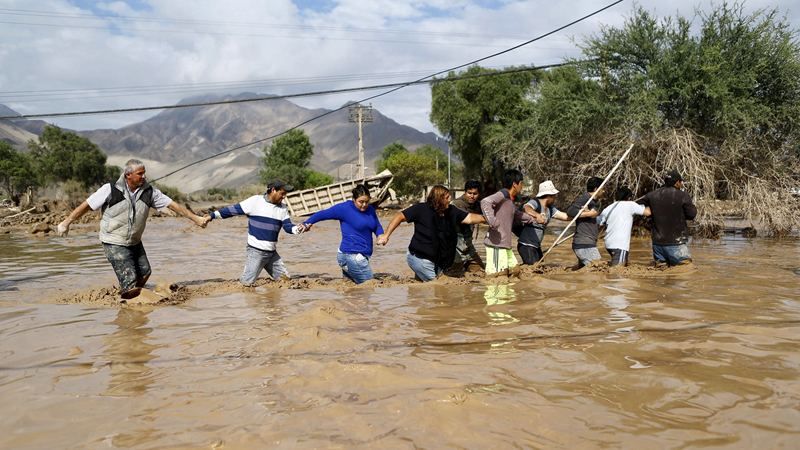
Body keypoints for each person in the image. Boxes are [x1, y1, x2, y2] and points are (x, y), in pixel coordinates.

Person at [56, 159, 209, 300]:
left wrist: (196, 219)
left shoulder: (150, 192)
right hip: (113, 241)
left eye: (144, 173)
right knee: (130, 279)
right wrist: (66, 222)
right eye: (140, 174)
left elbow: (173, 205)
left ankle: (132, 296)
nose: (144, 177)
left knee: (145, 272)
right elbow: (86, 206)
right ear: (128, 175)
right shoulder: (110, 189)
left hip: (134, 241)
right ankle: (129, 307)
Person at [206, 180, 306, 285]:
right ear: (273, 190)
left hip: (272, 254)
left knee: (285, 281)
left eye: (286, 194)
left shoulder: (283, 207)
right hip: (256, 252)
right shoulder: (255, 202)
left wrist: (298, 229)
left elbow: (287, 226)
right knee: (246, 285)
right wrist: (211, 216)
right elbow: (231, 210)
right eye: (282, 193)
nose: (284, 197)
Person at [378, 185, 484, 281]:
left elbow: (470, 218)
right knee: (441, 287)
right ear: (438, 199)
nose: (450, 200)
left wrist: (488, 219)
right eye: (447, 198)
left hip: (438, 261)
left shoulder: (451, 210)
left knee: (423, 289)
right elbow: (399, 216)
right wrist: (386, 235)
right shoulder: (421, 209)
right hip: (420, 258)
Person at [301, 184, 384, 284]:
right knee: (371, 286)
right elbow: (323, 214)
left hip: (358, 256)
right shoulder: (344, 209)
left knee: (350, 291)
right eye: (361, 202)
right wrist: (306, 223)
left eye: (367, 202)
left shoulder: (370, 210)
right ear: (354, 199)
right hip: (352, 256)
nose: (364, 205)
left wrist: (380, 235)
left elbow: (376, 226)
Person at [480, 169, 535, 275]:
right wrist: (492, 221)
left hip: (505, 245)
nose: (522, 186)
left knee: (515, 271)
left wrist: (533, 219)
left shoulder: (510, 199)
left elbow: (517, 214)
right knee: (497, 278)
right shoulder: (503, 194)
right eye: (521, 183)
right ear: (515, 184)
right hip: (496, 244)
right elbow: (485, 202)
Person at [640, 170, 697, 266]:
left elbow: (636, 206)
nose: (681, 184)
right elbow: (692, 215)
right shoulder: (682, 195)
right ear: (677, 182)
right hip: (676, 243)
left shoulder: (652, 195)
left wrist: (650, 216)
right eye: (681, 182)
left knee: (662, 273)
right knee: (685, 271)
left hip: (657, 245)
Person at [516, 180, 570, 264]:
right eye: (554, 196)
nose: (555, 198)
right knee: (533, 271)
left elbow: (565, 216)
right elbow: (526, 208)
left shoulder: (550, 209)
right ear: (548, 196)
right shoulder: (535, 202)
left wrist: (581, 214)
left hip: (536, 246)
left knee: (541, 268)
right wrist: (537, 215)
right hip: (526, 245)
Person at [597, 186, 652, 266]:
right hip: (620, 245)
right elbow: (648, 212)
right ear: (629, 197)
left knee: (621, 265)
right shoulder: (631, 205)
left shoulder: (609, 207)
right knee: (618, 272)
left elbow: (599, 221)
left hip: (609, 244)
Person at [566, 176, 605, 268]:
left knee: (585, 273)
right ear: (596, 189)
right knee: (598, 270)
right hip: (584, 244)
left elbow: (594, 213)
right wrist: (589, 214)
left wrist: (590, 213)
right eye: (603, 189)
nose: (604, 191)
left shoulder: (597, 202)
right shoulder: (585, 198)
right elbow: (570, 211)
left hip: (587, 243)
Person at [450, 180, 485, 272]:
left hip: (468, 245)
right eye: (469, 193)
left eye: (475, 193)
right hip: (455, 245)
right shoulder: (456, 204)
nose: (472, 196)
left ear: (479, 194)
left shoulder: (478, 205)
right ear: (465, 192)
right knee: (453, 274)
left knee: (480, 271)